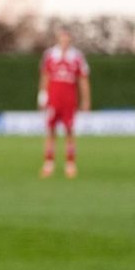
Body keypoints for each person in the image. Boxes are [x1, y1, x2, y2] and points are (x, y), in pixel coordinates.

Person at [39, 28, 91, 178]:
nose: (64, 41)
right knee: (50, 131)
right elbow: (45, 76)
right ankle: (48, 163)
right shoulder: (49, 56)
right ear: (58, 39)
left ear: (70, 40)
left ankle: (70, 164)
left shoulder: (77, 57)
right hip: (53, 100)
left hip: (69, 101)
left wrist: (86, 100)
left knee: (69, 132)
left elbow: (83, 80)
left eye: (67, 39)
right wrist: (42, 96)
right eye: (62, 39)